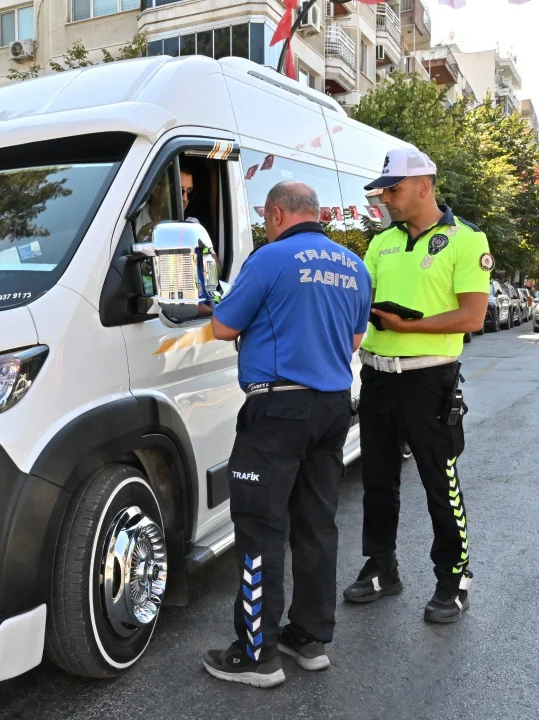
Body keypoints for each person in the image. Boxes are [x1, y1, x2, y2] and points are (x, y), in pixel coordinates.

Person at [201, 181, 372, 688]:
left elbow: (223, 327)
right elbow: (355, 339)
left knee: (260, 527)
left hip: (277, 409)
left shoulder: (270, 258)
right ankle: (309, 639)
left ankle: (257, 655)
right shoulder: (353, 265)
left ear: (276, 214)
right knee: (316, 524)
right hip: (333, 407)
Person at [344, 149, 491, 624]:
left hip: (429, 380)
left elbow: (472, 315)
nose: (385, 198)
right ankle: (381, 567)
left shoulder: (465, 238)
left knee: (439, 482)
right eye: (382, 191)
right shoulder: (381, 242)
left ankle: (454, 577)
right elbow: (360, 301)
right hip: (377, 376)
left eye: (394, 189)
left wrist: (409, 326)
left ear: (424, 186)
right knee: (377, 480)